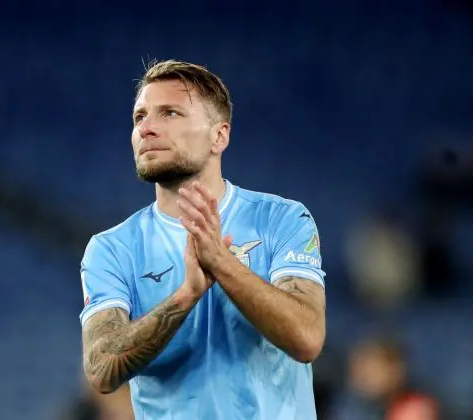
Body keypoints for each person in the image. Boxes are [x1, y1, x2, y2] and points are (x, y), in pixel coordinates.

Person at [79, 59, 327, 419]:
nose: (147, 128)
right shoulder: (111, 249)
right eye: (139, 117)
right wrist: (186, 295)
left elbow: (307, 339)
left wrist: (222, 264)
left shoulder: (281, 220)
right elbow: (101, 371)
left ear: (219, 136)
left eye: (170, 113)